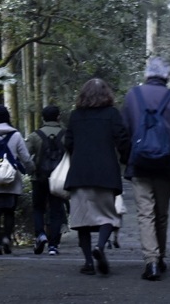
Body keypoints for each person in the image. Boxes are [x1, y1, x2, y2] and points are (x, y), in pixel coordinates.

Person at [122, 56, 170, 281]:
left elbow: (124, 132)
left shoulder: (133, 96)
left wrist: (130, 157)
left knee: (145, 213)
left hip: (139, 164)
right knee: (162, 213)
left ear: (147, 74)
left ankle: (151, 261)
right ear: (166, 76)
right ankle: (159, 257)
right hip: (165, 164)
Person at [64, 78, 130, 276]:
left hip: (80, 173)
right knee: (108, 216)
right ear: (106, 94)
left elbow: (68, 143)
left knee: (82, 220)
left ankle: (88, 263)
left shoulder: (75, 116)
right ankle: (100, 247)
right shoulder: (112, 114)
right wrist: (126, 159)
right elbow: (122, 140)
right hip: (105, 172)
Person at [0, 104, 35, 255]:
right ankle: (6, 239)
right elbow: (25, 157)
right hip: (11, 180)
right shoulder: (15, 135)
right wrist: (30, 169)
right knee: (9, 211)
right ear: (7, 118)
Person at [26, 104, 67, 255]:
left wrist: (31, 169)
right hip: (59, 180)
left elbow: (24, 154)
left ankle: (40, 234)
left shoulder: (35, 135)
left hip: (39, 178)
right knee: (56, 210)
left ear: (43, 118)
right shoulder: (65, 134)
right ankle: (53, 246)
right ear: (58, 117)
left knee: (38, 208)